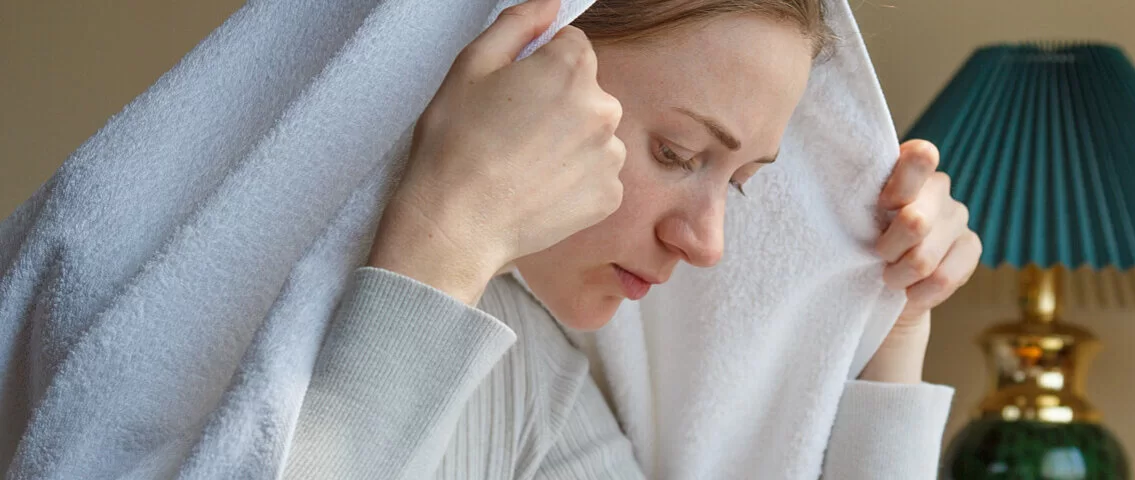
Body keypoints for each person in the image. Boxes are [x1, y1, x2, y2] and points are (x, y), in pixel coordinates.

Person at [283, 0, 982, 478]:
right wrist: (445, 233)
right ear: (512, 55)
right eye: (677, 153)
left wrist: (895, 321)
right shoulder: (232, 322)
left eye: (739, 183)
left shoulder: (528, 375)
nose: (708, 244)